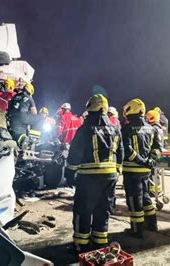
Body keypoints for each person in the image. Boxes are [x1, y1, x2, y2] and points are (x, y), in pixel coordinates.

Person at [64, 94, 124, 253]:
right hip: (110, 177)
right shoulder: (115, 128)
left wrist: (69, 172)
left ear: (90, 107)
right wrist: (117, 170)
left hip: (89, 177)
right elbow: (121, 152)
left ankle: (80, 245)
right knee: (103, 210)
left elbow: (75, 153)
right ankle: (99, 244)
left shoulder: (85, 129)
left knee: (83, 211)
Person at [121, 99, 162, 238]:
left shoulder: (126, 129)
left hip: (132, 170)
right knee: (145, 197)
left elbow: (127, 150)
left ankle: (137, 229)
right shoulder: (152, 128)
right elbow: (157, 148)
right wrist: (150, 160)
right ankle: (152, 224)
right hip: (146, 171)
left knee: (133, 199)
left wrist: (142, 161)